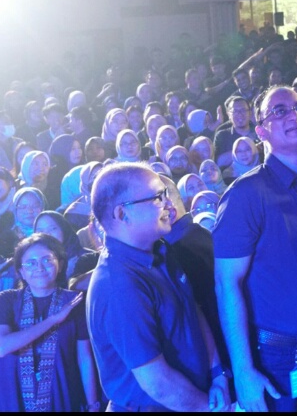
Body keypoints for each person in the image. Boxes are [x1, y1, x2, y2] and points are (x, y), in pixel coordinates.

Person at [215, 85, 297, 411]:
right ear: (261, 131)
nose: (295, 115)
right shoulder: (246, 195)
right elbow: (227, 284)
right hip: (274, 359)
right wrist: (243, 371)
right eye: (280, 111)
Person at [86, 163, 229, 411]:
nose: (168, 203)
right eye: (157, 197)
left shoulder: (161, 250)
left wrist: (218, 375)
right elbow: (158, 384)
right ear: (122, 213)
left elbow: (192, 310)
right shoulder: (119, 285)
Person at [0, 233, 100, 412]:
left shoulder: (75, 302)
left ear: (60, 265)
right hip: (10, 397)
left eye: (47, 260)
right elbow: (1, 347)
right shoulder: (7, 299)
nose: (39, 267)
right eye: (30, 263)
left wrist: (93, 403)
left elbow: (84, 358)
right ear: (21, 271)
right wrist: (53, 320)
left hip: (60, 394)